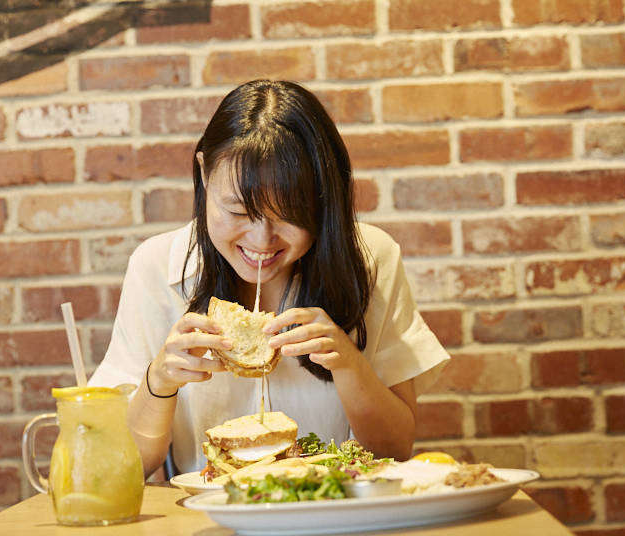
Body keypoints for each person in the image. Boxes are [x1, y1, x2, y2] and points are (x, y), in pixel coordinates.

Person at [89, 79, 449, 477]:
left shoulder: (371, 258)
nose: (261, 240)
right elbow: (125, 469)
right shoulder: (156, 266)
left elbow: (395, 450)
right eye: (239, 212)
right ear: (204, 173)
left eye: (290, 215)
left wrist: (348, 365)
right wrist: (159, 382)